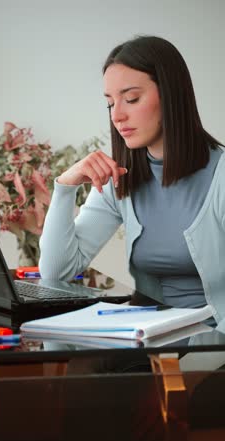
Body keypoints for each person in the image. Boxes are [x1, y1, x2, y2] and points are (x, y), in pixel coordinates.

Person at [39, 34, 224, 322]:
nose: (117, 115)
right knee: (71, 352)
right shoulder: (122, 177)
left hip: (212, 344)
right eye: (110, 103)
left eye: (131, 99)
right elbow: (56, 272)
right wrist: (65, 187)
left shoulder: (221, 177)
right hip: (151, 336)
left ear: (171, 95)